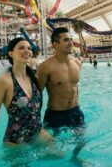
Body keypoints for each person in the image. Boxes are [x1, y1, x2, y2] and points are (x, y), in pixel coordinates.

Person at [37, 27, 85, 158]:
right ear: (55, 44)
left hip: (75, 111)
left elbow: (76, 88)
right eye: (66, 40)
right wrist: (35, 120)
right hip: (55, 115)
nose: (71, 43)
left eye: (71, 39)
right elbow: (38, 94)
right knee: (53, 149)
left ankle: (75, 158)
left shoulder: (77, 63)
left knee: (82, 141)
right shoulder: (45, 67)